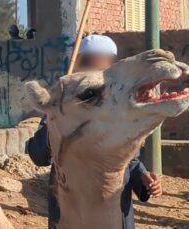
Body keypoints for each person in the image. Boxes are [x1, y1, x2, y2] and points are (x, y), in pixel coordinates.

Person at [26, 35, 162, 229]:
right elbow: (39, 156)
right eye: (91, 68)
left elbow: (129, 160)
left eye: (104, 71)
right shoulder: (60, 110)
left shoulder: (120, 111)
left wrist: (143, 178)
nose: (97, 77)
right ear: (79, 68)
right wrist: (55, 119)